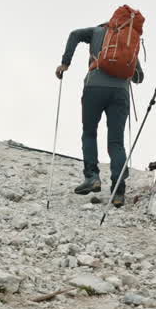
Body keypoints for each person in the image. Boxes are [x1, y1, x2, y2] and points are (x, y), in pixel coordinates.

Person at [56, 23, 144, 207]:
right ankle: (118, 192)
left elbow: (74, 34)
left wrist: (65, 63)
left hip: (94, 86)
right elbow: (139, 78)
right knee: (116, 142)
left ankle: (92, 177)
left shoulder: (97, 31)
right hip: (120, 93)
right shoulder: (129, 40)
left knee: (89, 133)